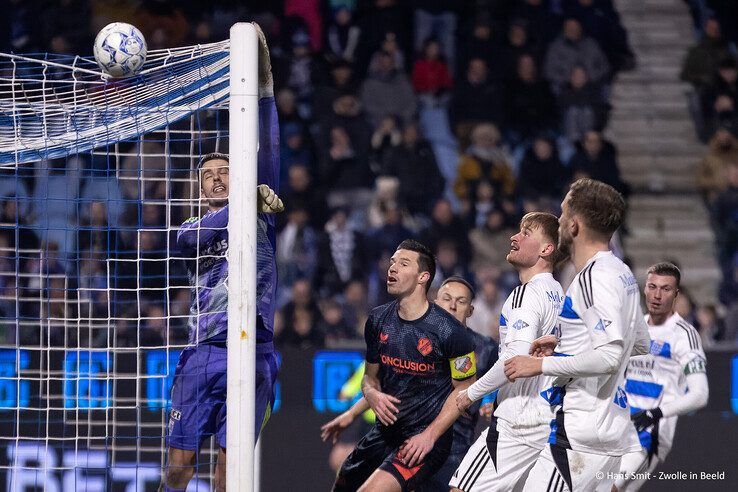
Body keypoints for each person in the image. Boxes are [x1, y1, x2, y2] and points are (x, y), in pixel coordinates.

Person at [160, 24, 284, 492]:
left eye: (225, 172)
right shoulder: (193, 228)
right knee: (178, 466)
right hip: (202, 352)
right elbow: (188, 244)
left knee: (230, 471)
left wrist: (267, 92)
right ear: (199, 187)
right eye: (208, 175)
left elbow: (269, 151)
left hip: (255, 350)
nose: (216, 178)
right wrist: (245, 198)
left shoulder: (261, 214)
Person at [503, 178, 651, 492]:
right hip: (608, 428)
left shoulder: (592, 278)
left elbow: (611, 356)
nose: (557, 222)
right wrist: (567, 342)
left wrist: (540, 366)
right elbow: (639, 343)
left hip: (578, 432)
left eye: (561, 213)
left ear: (574, 225)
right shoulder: (621, 272)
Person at [321, 276, 498, 491]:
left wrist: (498, 404)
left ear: (470, 310)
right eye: (446, 298)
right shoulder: (416, 340)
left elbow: (507, 378)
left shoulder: (485, 348)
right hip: (414, 440)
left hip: (455, 448)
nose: (452, 305)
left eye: (460, 301)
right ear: (436, 302)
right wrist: (351, 413)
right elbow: (391, 388)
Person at [450, 212, 564, 491]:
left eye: (526, 233)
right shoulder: (560, 293)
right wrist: (495, 394)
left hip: (518, 423)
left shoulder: (526, 294)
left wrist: (469, 395)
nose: (514, 237)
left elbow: (514, 359)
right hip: (547, 418)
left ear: (546, 249)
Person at [614, 263, 708, 491]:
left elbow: (700, 394)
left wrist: (654, 413)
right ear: (644, 289)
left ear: (676, 294)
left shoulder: (685, 335)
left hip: (651, 431)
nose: (657, 295)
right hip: (619, 423)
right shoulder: (632, 325)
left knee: (609, 486)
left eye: (666, 289)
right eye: (652, 287)